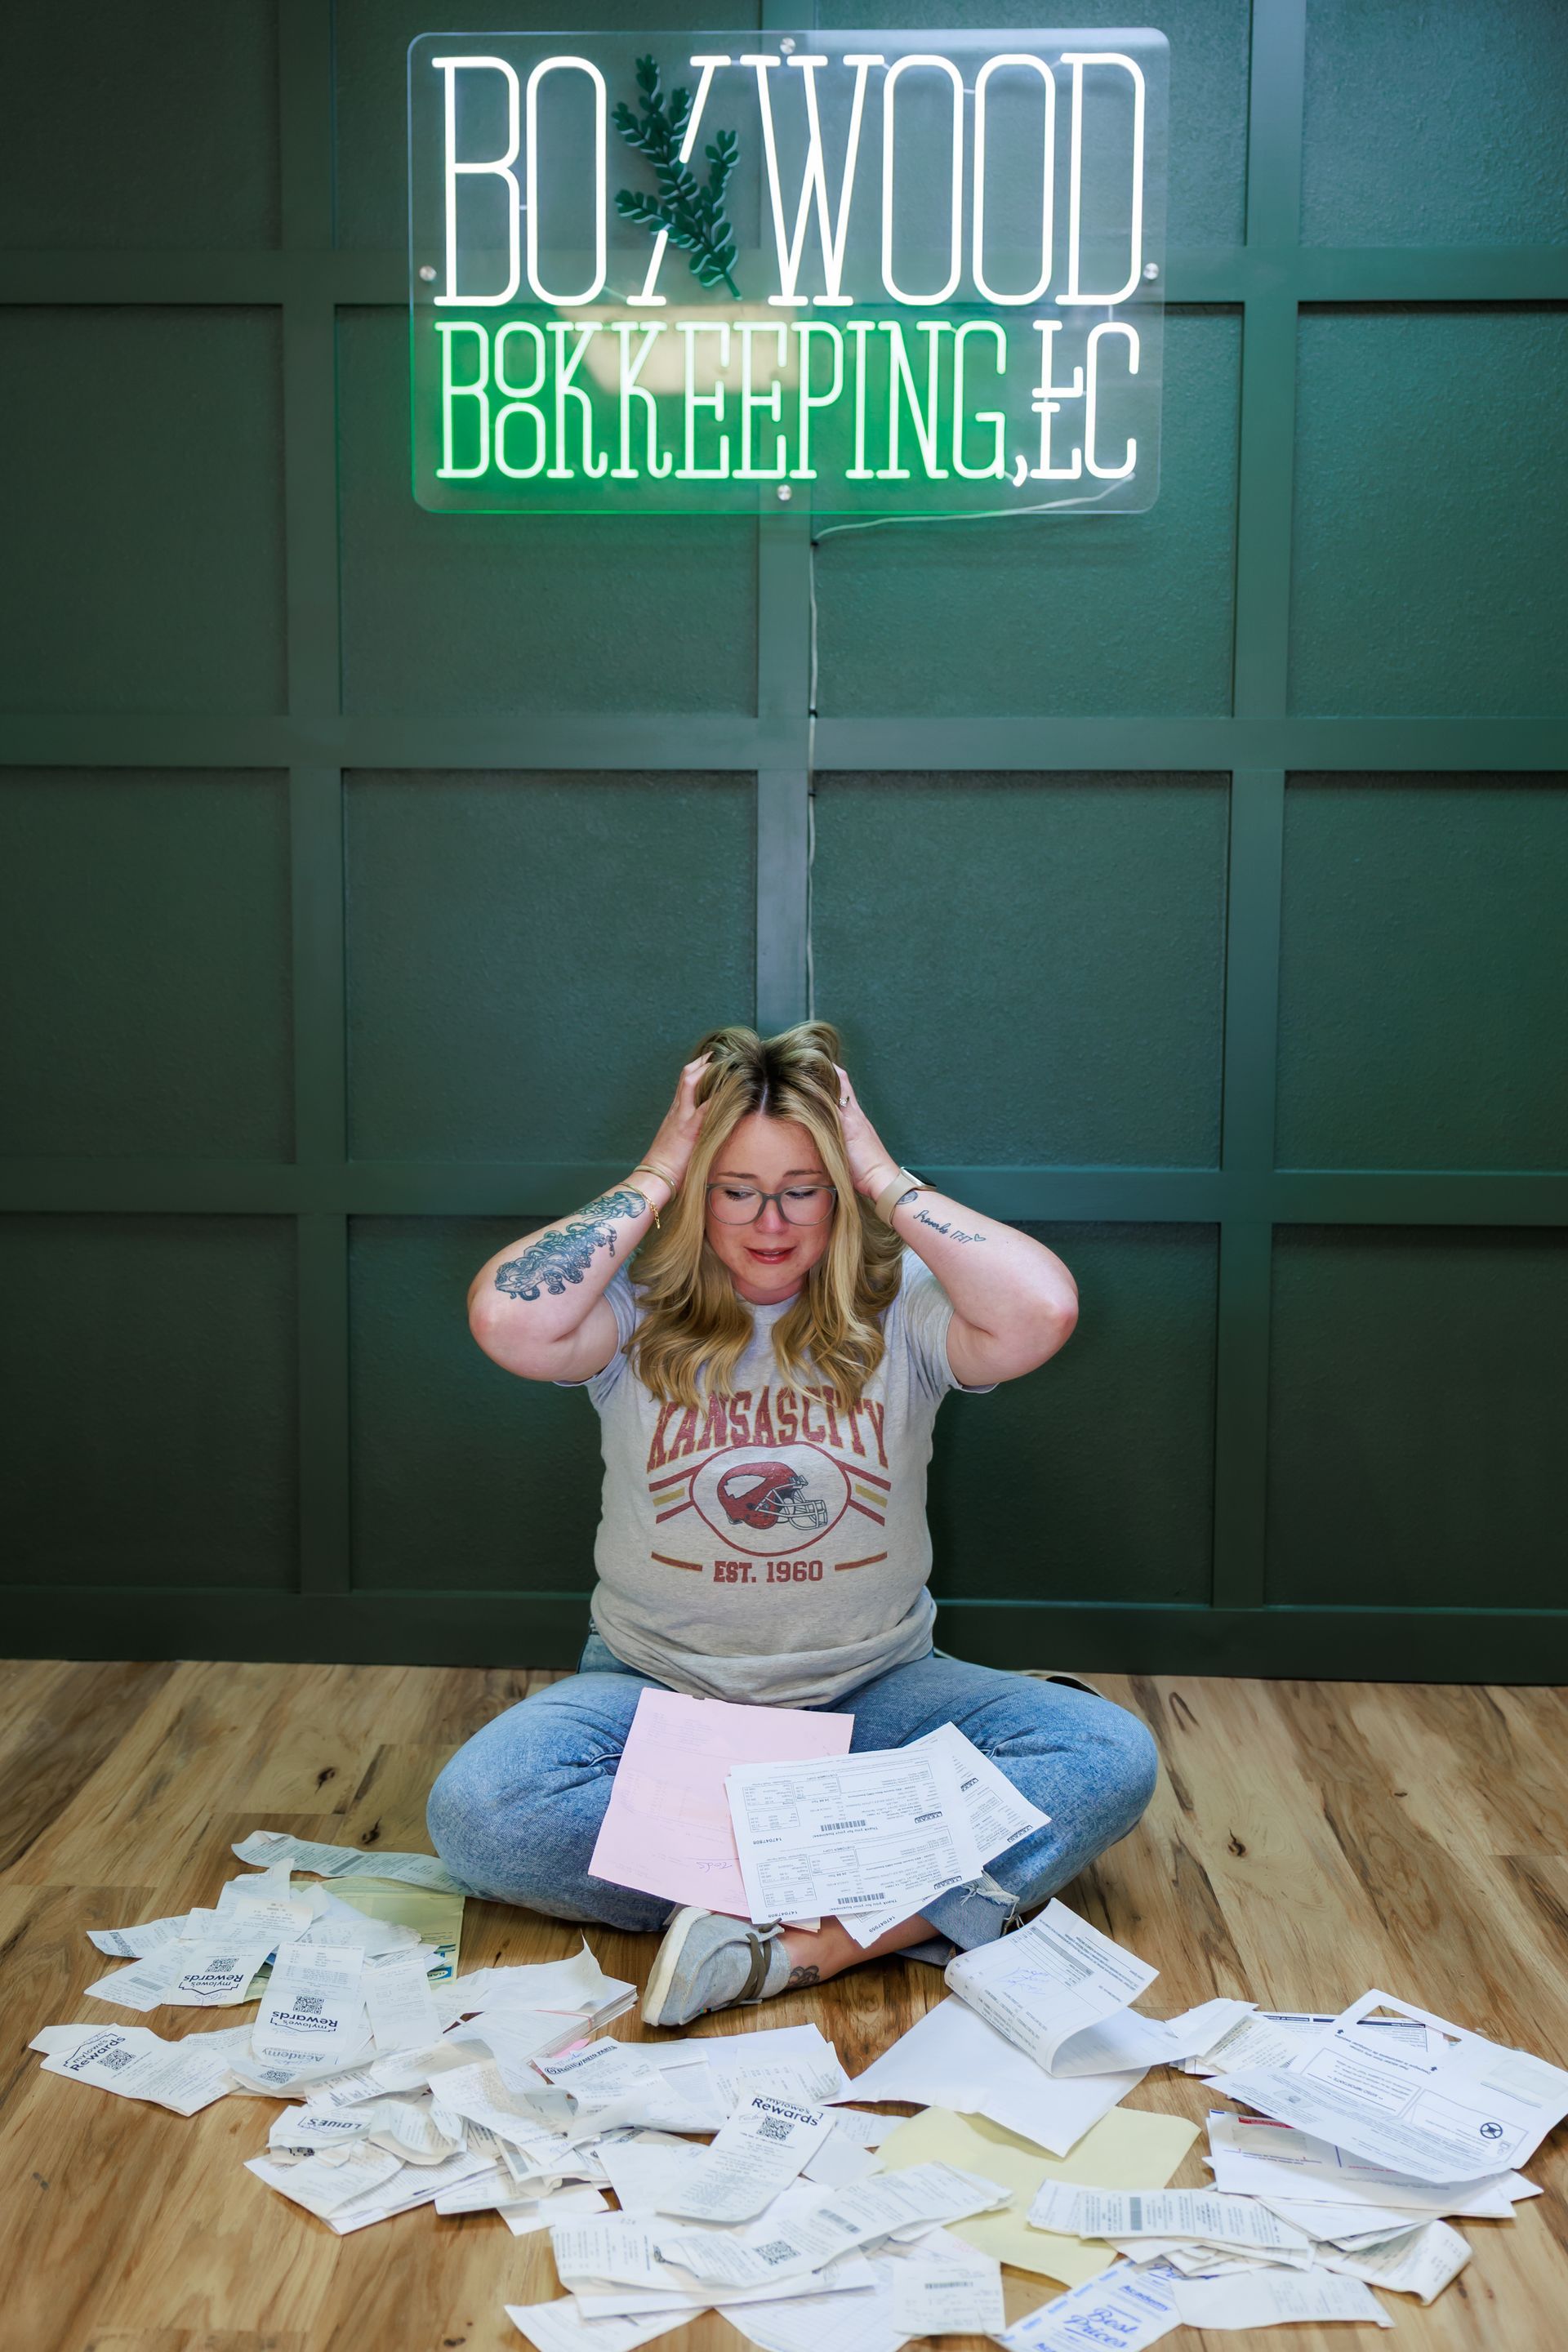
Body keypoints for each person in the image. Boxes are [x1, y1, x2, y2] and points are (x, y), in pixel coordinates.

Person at [429, 1021, 1157, 2028]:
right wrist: (659, 1168)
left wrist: (879, 1172)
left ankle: (805, 1944)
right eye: (736, 1190)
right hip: (660, 1696)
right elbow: (511, 1318)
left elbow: (1043, 1311)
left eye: (802, 1189)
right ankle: (883, 1888)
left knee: (1106, 1754)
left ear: (838, 1191)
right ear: (699, 1192)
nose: (769, 1223)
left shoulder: (903, 1308)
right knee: (482, 1811)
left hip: (876, 1699)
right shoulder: (632, 1310)